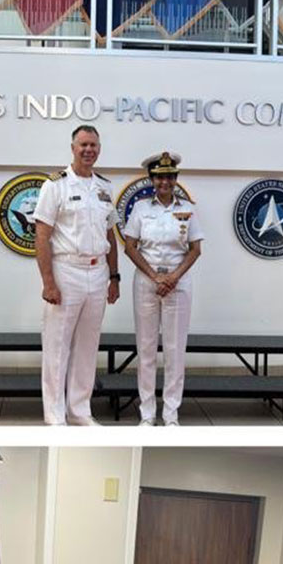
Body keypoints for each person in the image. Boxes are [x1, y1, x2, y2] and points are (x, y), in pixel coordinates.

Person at [34, 124, 121, 426]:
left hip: (97, 273)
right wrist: (48, 282)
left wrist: (114, 277)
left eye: (94, 145)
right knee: (57, 346)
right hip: (66, 270)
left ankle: (80, 410)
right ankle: (54, 416)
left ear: (99, 149)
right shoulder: (55, 185)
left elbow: (111, 233)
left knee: (88, 345)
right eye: (83, 144)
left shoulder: (105, 187)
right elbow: (42, 235)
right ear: (72, 147)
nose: (89, 150)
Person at [122, 151, 203, 426]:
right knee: (145, 350)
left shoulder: (188, 209)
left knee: (174, 350)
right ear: (151, 179)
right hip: (147, 283)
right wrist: (155, 277)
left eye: (169, 177)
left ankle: (171, 415)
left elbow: (195, 250)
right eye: (159, 177)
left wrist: (173, 278)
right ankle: (147, 414)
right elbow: (130, 247)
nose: (164, 182)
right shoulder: (142, 209)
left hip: (178, 285)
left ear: (176, 179)